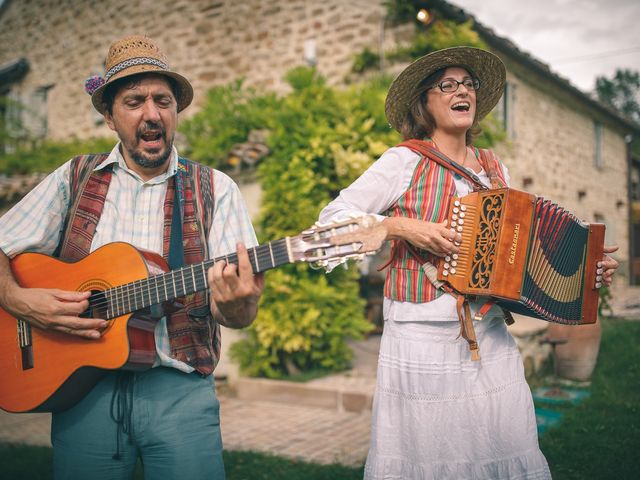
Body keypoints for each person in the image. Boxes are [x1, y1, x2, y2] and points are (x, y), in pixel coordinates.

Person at [319, 46, 619, 479]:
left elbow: (523, 260)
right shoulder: (404, 161)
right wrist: (401, 226)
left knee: (503, 446)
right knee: (428, 458)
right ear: (424, 102)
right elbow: (330, 224)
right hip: (421, 339)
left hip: (490, 337)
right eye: (447, 85)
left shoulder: (497, 170)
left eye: (468, 84)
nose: (462, 91)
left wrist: (583, 274)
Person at [0, 35, 264, 479]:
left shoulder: (217, 189)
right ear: (109, 115)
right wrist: (18, 301)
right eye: (134, 100)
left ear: (175, 111)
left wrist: (238, 303)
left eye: (163, 100)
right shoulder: (74, 178)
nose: (151, 113)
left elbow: (236, 315)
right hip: (82, 393)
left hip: (179, 394)